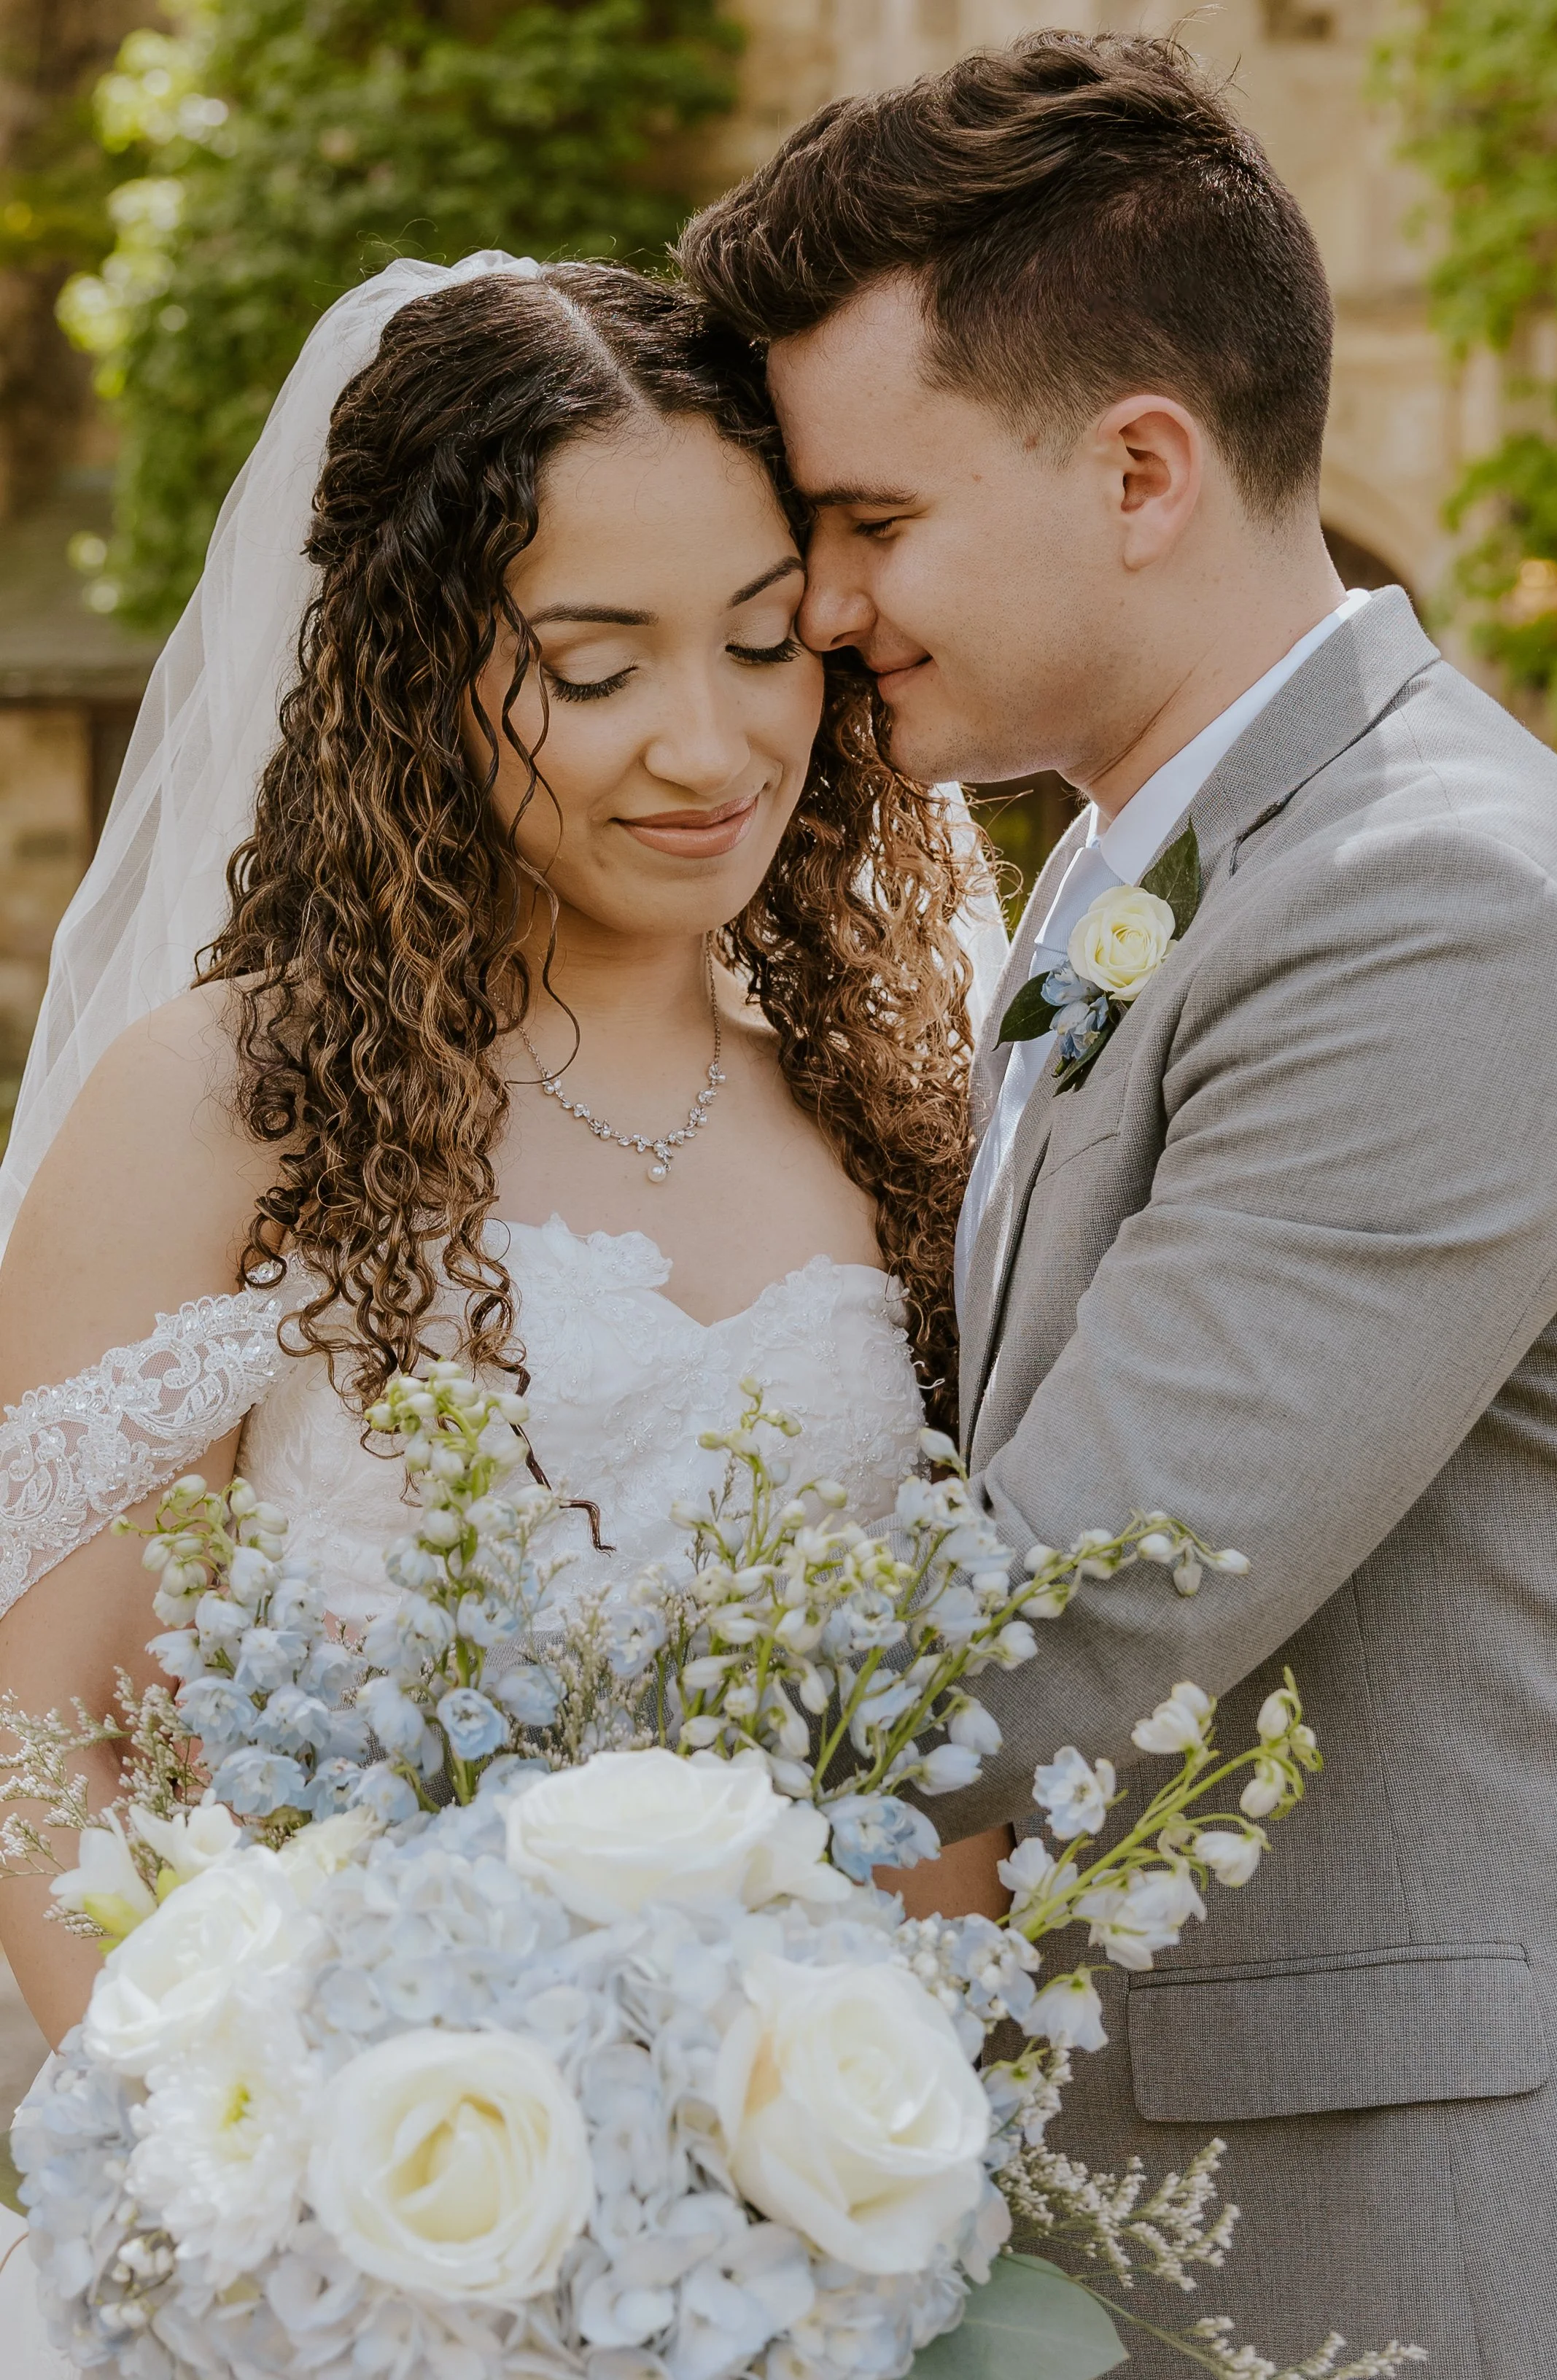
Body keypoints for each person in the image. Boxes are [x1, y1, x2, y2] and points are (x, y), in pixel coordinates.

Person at [682, 28, 1557, 2379]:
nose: (825, 600)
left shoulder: (1436, 907)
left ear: (1140, 469)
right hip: (1095, 2178)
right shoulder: (1127, 856)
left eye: (872, 520)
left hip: (1358, 2220)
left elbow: (1067, 1615)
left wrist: (474, 1804)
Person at [0, 253, 1011, 2077]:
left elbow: (949, 1771)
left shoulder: (893, 1110)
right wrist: (242, 2178)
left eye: (766, 639)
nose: (707, 746)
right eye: (595, 667)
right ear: (414, 676)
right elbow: (40, 1732)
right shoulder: (226, 1107)